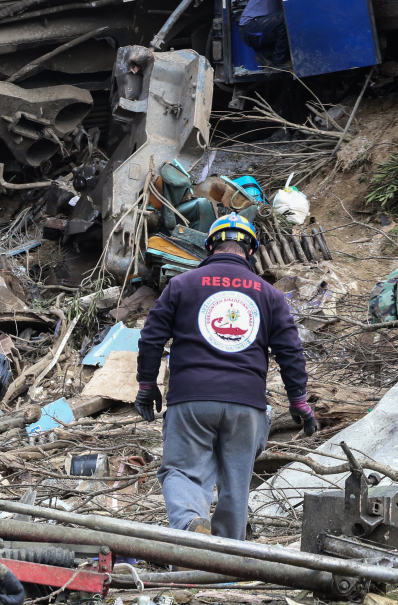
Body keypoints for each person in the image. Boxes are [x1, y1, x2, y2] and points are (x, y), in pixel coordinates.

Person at [134, 213, 314, 539]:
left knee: (181, 471)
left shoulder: (181, 285)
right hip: (247, 404)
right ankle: (228, 567)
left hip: (191, 399)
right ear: (250, 251)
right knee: (236, 485)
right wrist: (299, 401)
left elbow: (151, 338)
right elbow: (291, 350)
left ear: (210, 246)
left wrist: (147, 385)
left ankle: (191, 525)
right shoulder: (269, 294)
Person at [238, 0, 290, 68]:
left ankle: (266, 55)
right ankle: (279, 61)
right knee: (287, 17)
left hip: (262, 25)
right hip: (250, 27)